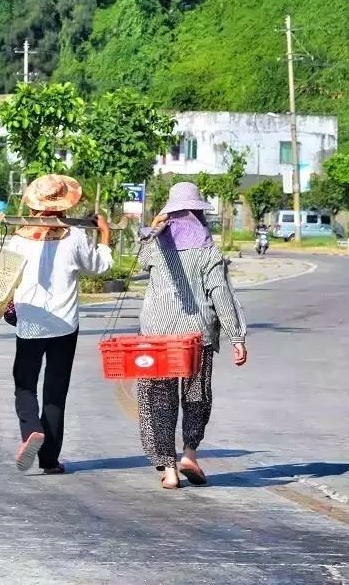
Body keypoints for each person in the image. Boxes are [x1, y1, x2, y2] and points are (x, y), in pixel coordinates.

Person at [137, 182, 247, 489]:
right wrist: (236, 336)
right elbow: (220, 293)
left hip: (157, 333)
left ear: (170, 211)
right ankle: (189, 454)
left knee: (159, 398)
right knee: (197, 394)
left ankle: (169, 470)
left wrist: (152, 228)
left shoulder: (156, 242)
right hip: (197, 334)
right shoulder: (209, 248)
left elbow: (141, 260)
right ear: (199, 212)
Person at [6, 174, 112, 474]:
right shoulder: (76, 237)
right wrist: (104, 235)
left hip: (30, 323)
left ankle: (31, 431)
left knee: (25, 385)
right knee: (56, 391)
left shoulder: (17, 240)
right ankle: (49, 460)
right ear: (64, 205)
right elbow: (101, 266)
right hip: (64, 325)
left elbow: (7, 280)